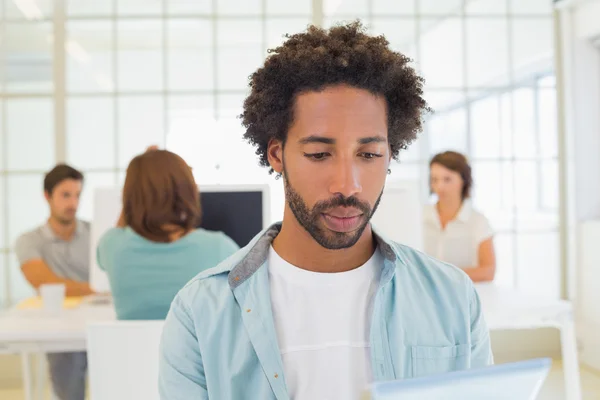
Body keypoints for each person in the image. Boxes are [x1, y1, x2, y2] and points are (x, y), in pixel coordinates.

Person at [159, 21, 493, 400]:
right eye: (319, 154)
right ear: (276, 154)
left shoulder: (451, 296)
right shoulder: (201, 312)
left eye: (369, 155)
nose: (347, 185)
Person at [96, 147, 239, 320]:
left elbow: (122, 226)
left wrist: (141, 176)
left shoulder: (111, 245)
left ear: (129, 196)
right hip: (194, 348)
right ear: (188, 190)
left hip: (131, 347)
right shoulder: (220, 247)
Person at [15, 164, 90, 400]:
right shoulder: (29, 241)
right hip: (61, 327)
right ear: (47, 196)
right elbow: (45, 284)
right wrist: (95, 289)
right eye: (65, 195)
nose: (73, 203)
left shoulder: (97, 233)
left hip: (99, 319)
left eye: (77, 195)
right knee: (66, 358)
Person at [424, 151, 496, 282]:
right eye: (434, 179)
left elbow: (488, 271)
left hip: (464, 294)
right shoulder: (420, 216)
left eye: (447, 179)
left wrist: (443, 275)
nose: (440, 186)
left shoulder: (478, 221)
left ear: (463, 180)